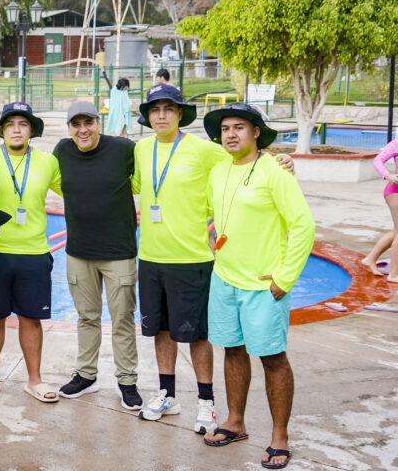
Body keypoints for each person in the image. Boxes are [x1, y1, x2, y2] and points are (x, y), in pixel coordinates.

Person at [201, 103, 315, 471]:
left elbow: (303, 225)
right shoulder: (219, 170)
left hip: (263, 286)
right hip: (225, 279)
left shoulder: (275, 171)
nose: (230, 134)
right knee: (233, 351)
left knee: (273, 358)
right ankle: (235, 422)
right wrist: (212, 239)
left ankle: (279, 436)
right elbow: (215, 213)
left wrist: (285, 277)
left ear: (255, 133)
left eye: (239, 127)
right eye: (225, 129)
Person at [131, 83, 224, 433]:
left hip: (191, 259)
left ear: (180, 114)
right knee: (161, 330)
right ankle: (167, 395)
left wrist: (280, 160)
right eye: (155, 110)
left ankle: (206, 402)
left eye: (168, 109)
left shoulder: (203, 149)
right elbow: (133, 185)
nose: (161, 115)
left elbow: (243, 162)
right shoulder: (142, 149)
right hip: (151, 257)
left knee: (197, 335)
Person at [52, 101, 142, 411]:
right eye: (75, 124)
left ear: (98, 123)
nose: (82, 130)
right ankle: (86, 375)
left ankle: (127, 380)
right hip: (79, 252)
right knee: (86, 317)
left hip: (119, 252)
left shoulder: (123, 149)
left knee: (122, 319)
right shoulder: (62, 151)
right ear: (69, 128)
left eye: (88, 122)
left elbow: (153, 171)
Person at [0, 103, 62, 405]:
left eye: (23, 124)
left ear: (31, 130)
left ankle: (34, 380)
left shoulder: (48, 162)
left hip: (34, 251)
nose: (16, 129)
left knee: (31, 318)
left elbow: (76, 187)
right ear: (1, 130)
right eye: (10, 124)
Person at [368, 138, 398, 281]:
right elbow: (377, 160)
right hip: (395, 191)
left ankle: (370, 258)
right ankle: (394, 274)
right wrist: (387, 175)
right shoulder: (397, 143)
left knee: (396, 232)